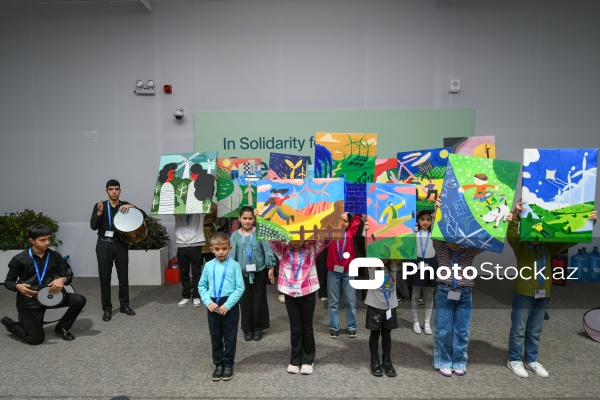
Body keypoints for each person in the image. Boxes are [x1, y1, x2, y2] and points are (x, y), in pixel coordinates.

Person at [505, 199, 597, 378]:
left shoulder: (549, 246)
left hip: (543, 294)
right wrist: (515, 215)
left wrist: (590, 221)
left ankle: (531, 359)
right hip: (523, 293)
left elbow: (573, 238)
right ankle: (514, 359)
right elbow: (511, 235)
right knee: (519, 329)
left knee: (535, 330)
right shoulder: (521, 245)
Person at [2, 224, 86, 344]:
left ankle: (62, 327)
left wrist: (62, 280)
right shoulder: (19, 259)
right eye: (43, 240)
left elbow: (68, 275)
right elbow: (8, 282)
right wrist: (17, 286)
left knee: (79, 300)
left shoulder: (55, 256)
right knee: (36, 340)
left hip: (51, 295)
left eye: (48, 239)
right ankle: (10, 323)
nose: (47, 242)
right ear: (31, 240)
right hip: (30, 300)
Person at [270, 239, 328, 375]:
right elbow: (269, 239)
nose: (296, 242)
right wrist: (261, 219)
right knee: (295, 327)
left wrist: (339, 221)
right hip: (290, 293)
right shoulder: (283, 248)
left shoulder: (311, 247)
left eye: (299, 238)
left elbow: (327, 239)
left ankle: (308, 360)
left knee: (307, 327)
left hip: (308, 291)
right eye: (293, 238)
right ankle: (295, 359)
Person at [90, 179, 142, 321]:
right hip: (103, 244)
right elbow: (93, 226)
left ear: (120, 190)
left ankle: (125, 305)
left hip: (120, 243)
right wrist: (99, 213)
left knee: (123, 276)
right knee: (105, 278)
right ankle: (107, 309)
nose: (114, 192)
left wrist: (133, 206)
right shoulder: (100, 206)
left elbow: (143, 216)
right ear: (106, 191)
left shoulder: (125, 205)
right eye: (111, 189)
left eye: (116, 189)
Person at [432, 239, 485, 377]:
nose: (455, 243)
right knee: (443, 328)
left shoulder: (469, 250)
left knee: (462, 330)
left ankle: (459, 361)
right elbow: (435, 227)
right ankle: (443, 361)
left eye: (459, 239)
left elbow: (487, 240)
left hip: (465, 293)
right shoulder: (441, 248)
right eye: (452, 239)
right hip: (445, 291)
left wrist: (505, 220)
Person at [198, 232, 245, 381]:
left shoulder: (235, 265)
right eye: (217, 249)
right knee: (215, 336)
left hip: (229, 305)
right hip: (212, 304)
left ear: (229, 248)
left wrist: (228, 304)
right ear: (211, 249)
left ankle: (229, 364)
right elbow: (202, 286)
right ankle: (218, 364)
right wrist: (207, 301)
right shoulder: (208, 266)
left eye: (224, 248)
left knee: (230, 336)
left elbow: (240, 288)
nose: (220, 252)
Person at [230, 207, 276, 341]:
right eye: (244, 218)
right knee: (244, 301)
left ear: (254, 219)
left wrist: (271, 266)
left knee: (259, 300)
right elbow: (232, 256)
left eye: (250, 218)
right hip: (242, 273)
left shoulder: (259, 232)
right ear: (239, 219)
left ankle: (258, 327)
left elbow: (267, 250)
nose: (247, 221)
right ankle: (247, 328)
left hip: (259, 271)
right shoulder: (235, 235)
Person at [326, 212, 362, 339]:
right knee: (333, 301)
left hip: (349, 271)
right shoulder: (330, 232)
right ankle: (333, 327)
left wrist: (356, 199)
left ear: (349, 222)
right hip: (333, 271)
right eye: (340, 220)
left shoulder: (351, 231)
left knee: (350, 300)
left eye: (345, 221)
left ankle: (351, 327)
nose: (343, 223)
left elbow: (358, 216)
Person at [364, 258, 399, 377]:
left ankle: (387, 361)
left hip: (390, 306)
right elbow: (368, 247)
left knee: (387, 335)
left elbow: (401, 252)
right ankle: (374, 360)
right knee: (374, 334)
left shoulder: (393, 264)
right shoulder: (372, 265)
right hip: (375, 306)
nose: (383, 258)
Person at [411, 209, 439, 335]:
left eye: (428, 219)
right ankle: (416, 322)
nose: (425, 222)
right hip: (417, 263)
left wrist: (437, 208)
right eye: (422, 219)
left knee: (429, 295)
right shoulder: (414, 233)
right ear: (418, 220)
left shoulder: (435, 234)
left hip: (432, 264)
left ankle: (427, 322)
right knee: (416, 294)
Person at [175, 212, 209, 308]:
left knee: (196, 272)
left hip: (196, 244)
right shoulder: (178, 209)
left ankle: (196, 295)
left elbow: (207, 202)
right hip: (181, 244)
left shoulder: (200, 210)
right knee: (183, 272)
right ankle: (186, 296)